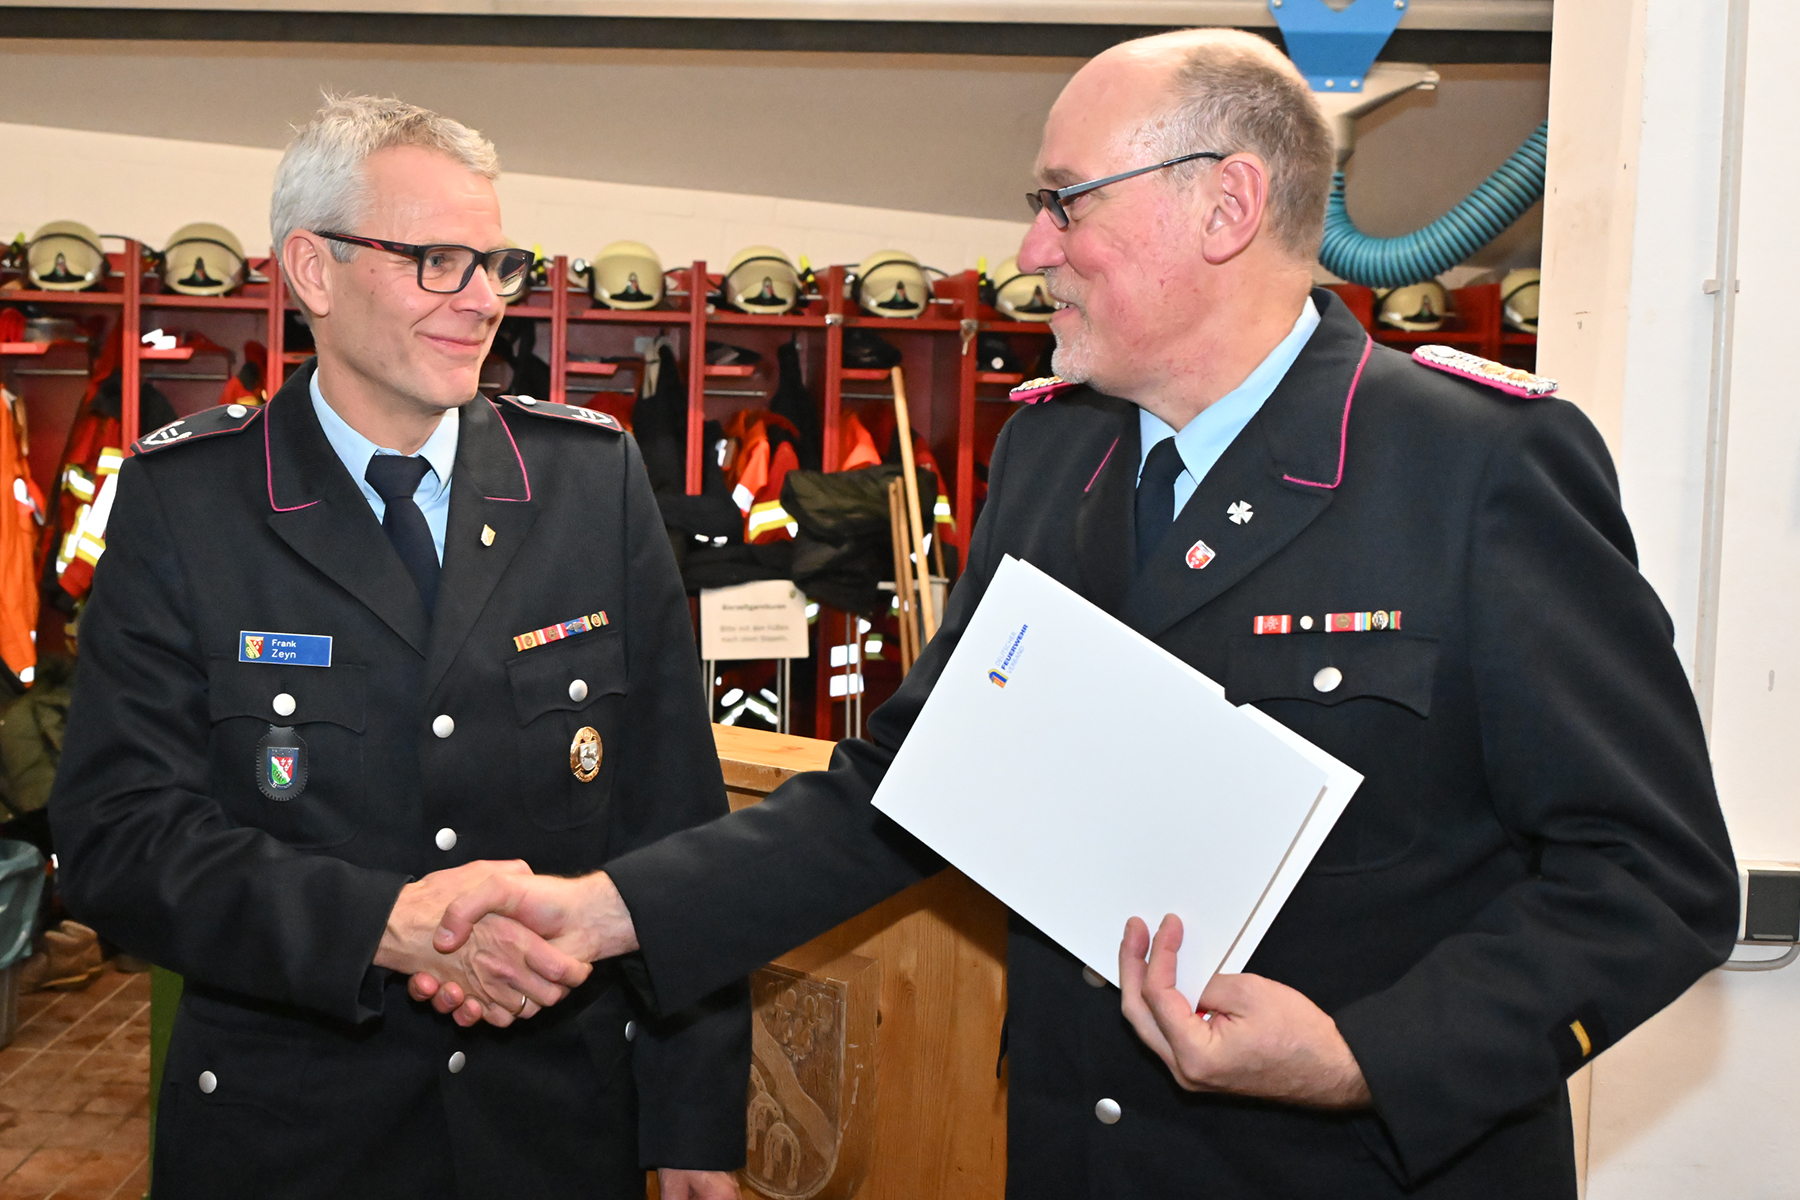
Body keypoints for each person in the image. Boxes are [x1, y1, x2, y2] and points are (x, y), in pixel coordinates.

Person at [423, 30, 1739, 1197]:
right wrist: (605, 911)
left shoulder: (1474, 466)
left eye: (1064, 202)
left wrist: (1362, 1059)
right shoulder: (1056, 456)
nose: (1031, 251)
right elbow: (910, 789)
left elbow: (1653, 878)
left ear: (1227, 204)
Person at [48, 95, 746, 1200]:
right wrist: (382, 926)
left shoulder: (588, 481)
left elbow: (675, 823)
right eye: (436, 261)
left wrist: (694, 1118)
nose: (484, 300)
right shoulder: (190, 500)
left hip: (553, 1133)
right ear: (312, 270)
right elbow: (118, 839)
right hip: (291, 1140)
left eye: (496, 263)